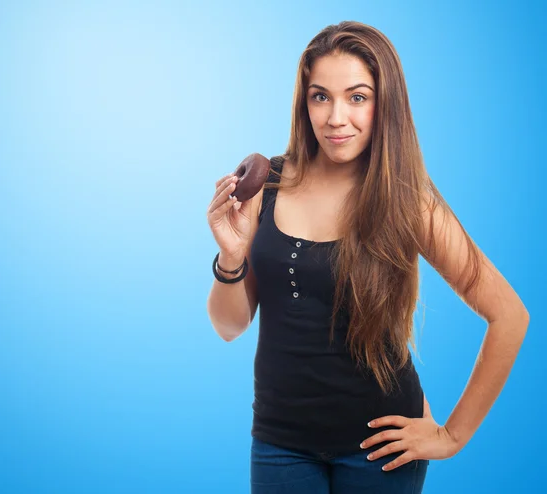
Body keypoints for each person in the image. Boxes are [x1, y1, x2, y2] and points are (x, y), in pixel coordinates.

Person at [205, 20, 529, 494]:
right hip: (280, 443)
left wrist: (452, 435)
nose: (336, 117)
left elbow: (509, 316)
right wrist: (232, 257)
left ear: (385, 103)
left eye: (357, 97)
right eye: (321, 96)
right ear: (304, 102)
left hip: (380, 453)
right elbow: (229, 327)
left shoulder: (406, 199)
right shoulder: (269, 186)